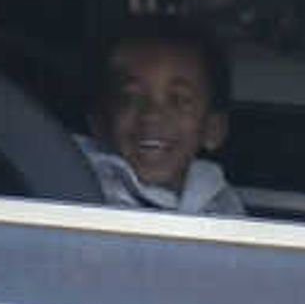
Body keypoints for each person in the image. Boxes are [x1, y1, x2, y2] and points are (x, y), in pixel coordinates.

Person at [78, 13, 248, 217]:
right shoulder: (81, 189)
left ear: (214, 128)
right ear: (99, 123)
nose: (152, 115)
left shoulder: (219, 199)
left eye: (178, 100)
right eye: (130, 98)